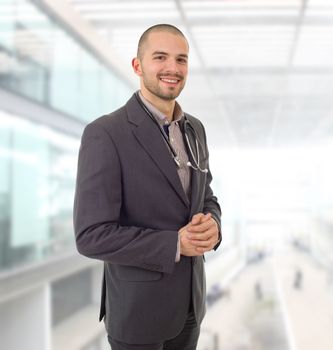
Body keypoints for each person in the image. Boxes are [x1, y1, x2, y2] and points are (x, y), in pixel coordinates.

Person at [73, 24, 222, 350]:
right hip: (138, 317)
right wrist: (173, 244)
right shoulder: (106, 133)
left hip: (190, 309)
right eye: (160, 57)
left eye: (181, 60)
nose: (173, 68)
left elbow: (205, 196)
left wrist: (214, 225)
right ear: (138, 66)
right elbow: (90, 236)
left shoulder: (195, 129)